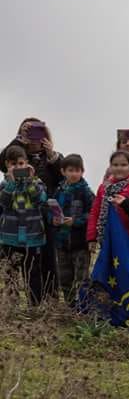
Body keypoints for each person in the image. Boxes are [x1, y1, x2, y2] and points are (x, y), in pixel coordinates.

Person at [0, 118, 64, 299]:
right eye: (28, 131)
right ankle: (15, 301)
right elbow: (2, 160)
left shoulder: (51, 156)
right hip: (14, 222)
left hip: (43, 214)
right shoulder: (16, 156)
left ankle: (49, 299)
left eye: (38, 131)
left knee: (47, 260)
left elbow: (63, 177)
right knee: (15, 263)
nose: (34, 136)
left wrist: (52, 155)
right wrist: (18, 139)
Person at [0, 146, 48, 305]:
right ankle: (11, 305)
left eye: (21, 163)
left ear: (27, 163)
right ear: (7, 164)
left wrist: (29, 181)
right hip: (9, 237)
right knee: (10, 273)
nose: (18, 167)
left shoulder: (37, 182)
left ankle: (35, 306)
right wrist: (12, 184)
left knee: (33, 273)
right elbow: (4, 203)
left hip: (32, 236)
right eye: (14, 164)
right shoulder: (5, 184)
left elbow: (40, 199)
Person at [49, 154, 95, 306]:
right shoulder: (59, 190)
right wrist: (53, 219)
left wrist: (75, 221)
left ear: (82, 171)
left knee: (82, 278)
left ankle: (84, 306)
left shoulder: (86, 192)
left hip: (80, 243)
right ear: (63, 171)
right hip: (61, 242)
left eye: (77, 170)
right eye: (70, 170)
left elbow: (93, 214)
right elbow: (50, 209)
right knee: (64, 277)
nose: (74, 174)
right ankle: (70, 306)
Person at [87, 151, 129, 251]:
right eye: (115, 165)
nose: (119, 168)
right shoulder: (103, 188)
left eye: (123, 165)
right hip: (106, 239)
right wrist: (92, 238)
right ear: (110, 167)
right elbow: (95, 213)